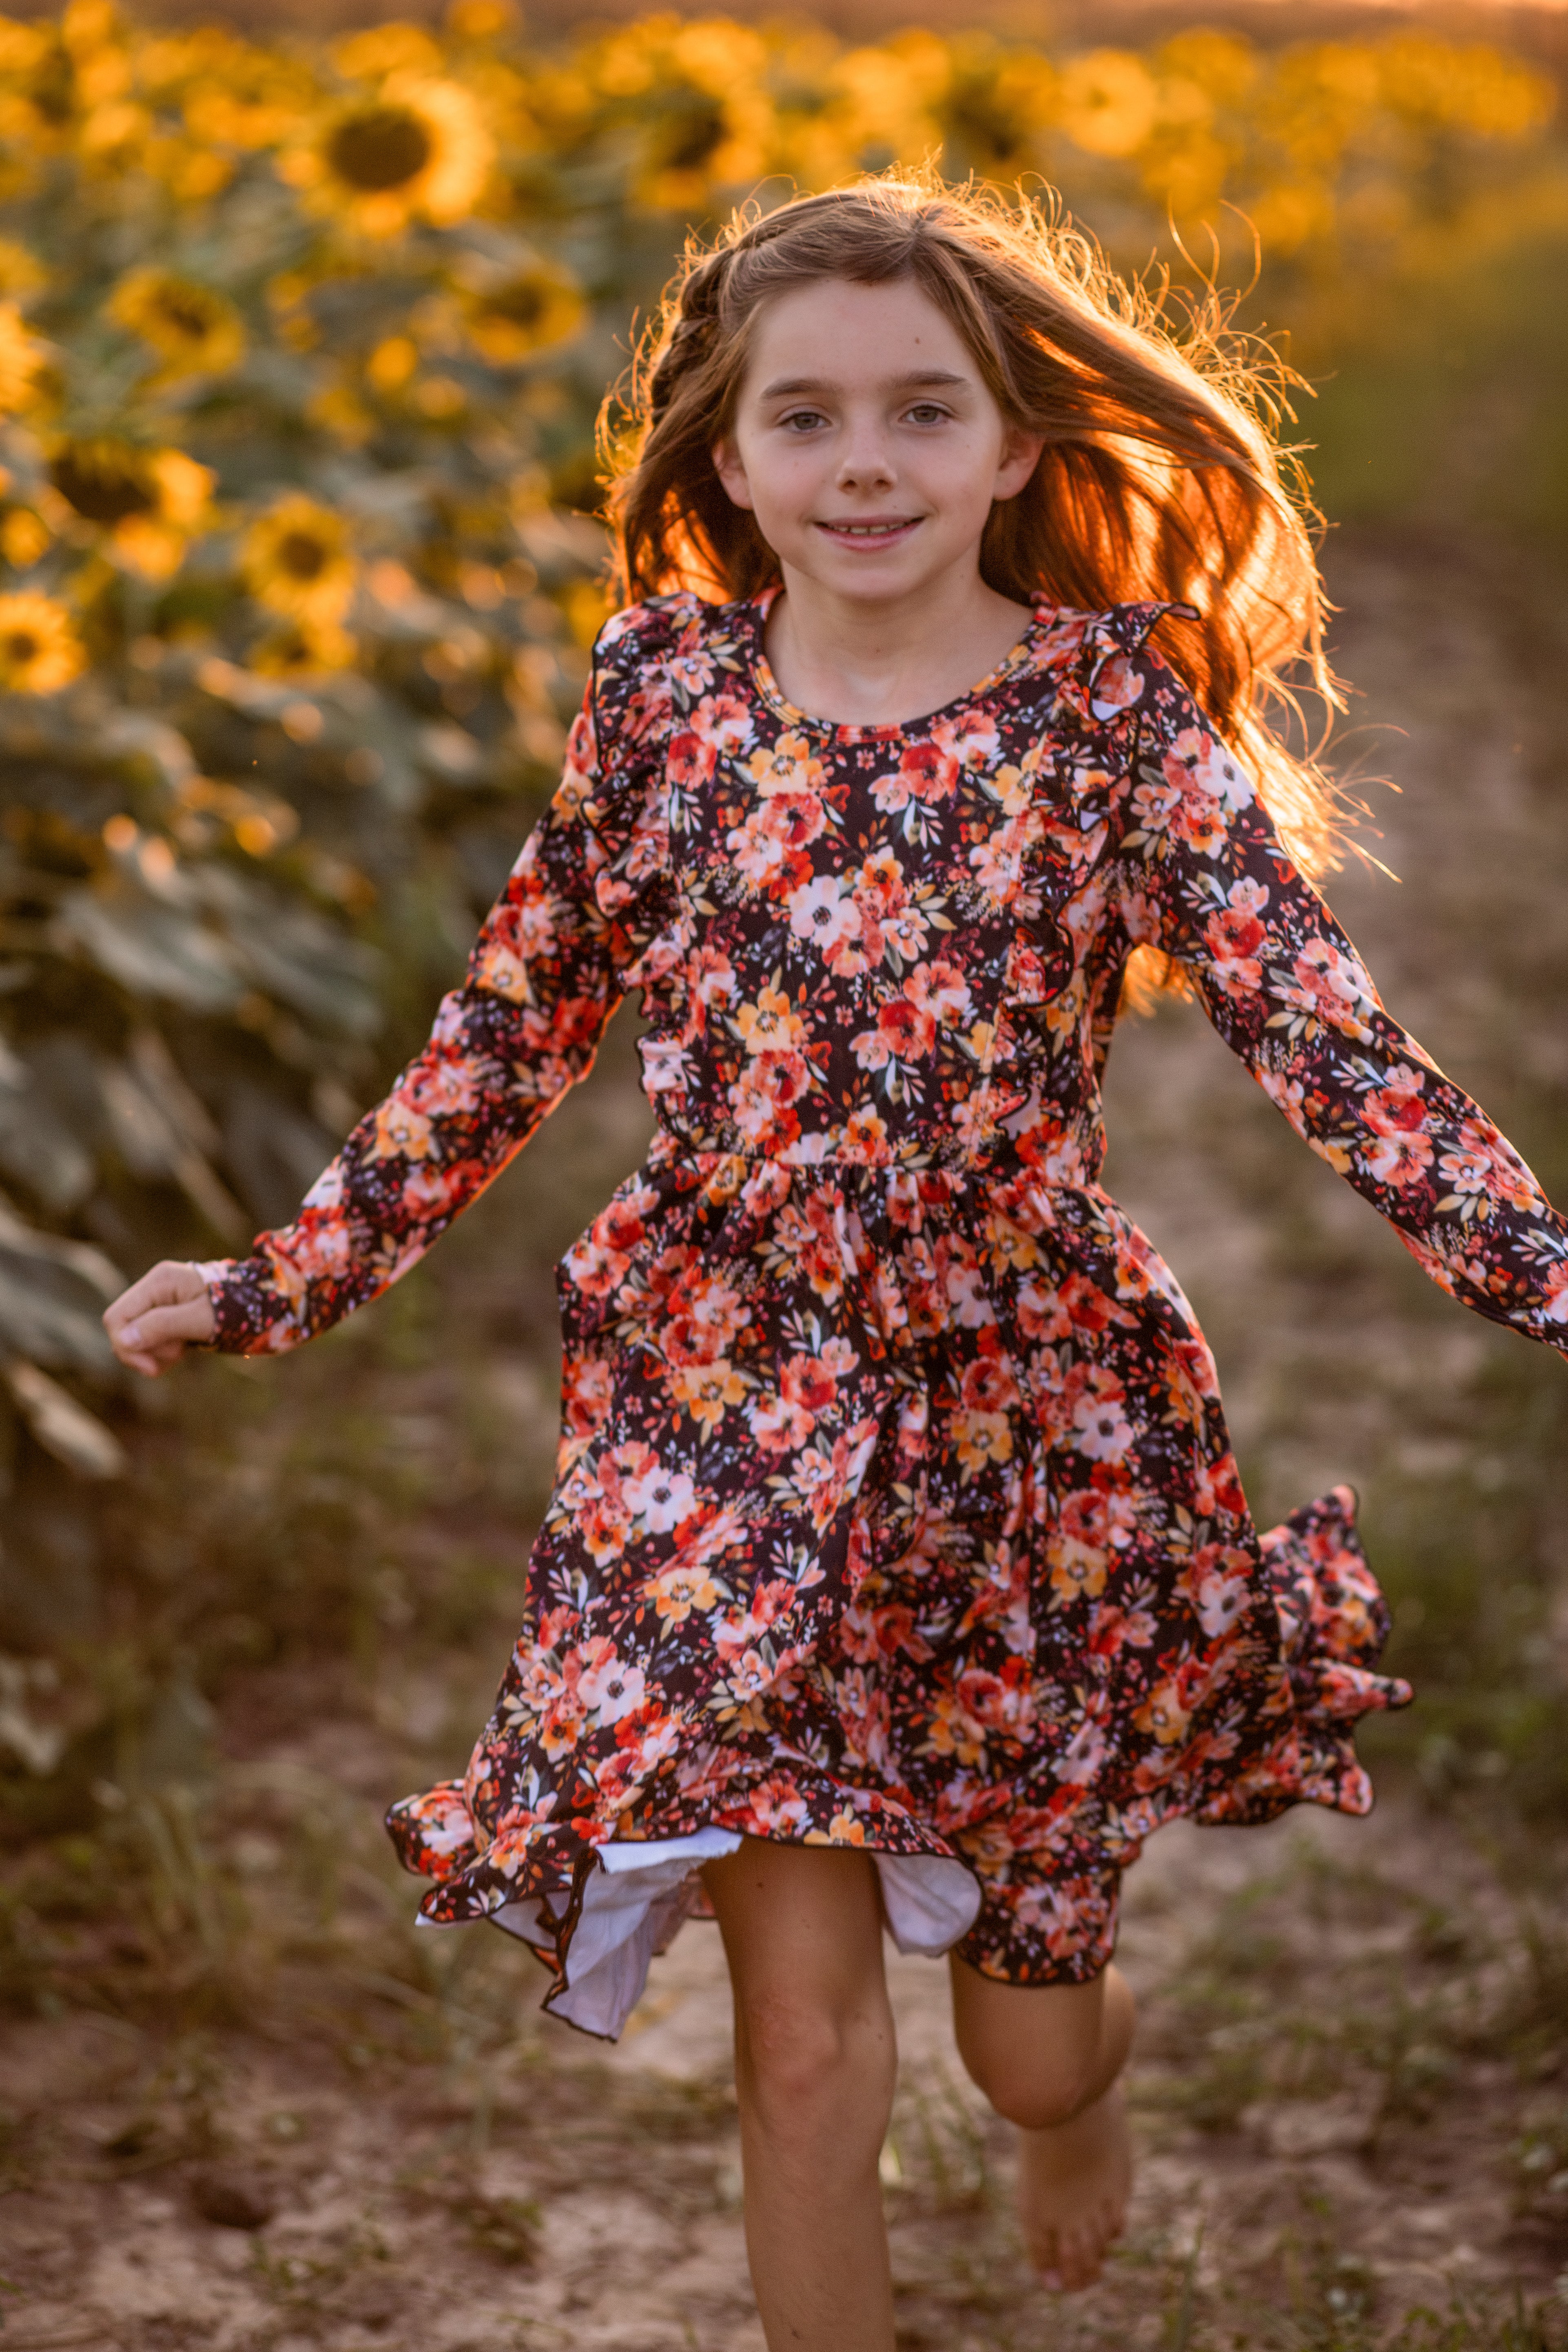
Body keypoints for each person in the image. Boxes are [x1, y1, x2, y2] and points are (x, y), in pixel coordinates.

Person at [105, 177, 1568, 2349]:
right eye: (804, 416)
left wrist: (1535, 1261)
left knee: (1026, 2047)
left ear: (1017, 444)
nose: (862, 462)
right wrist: (290, 1273)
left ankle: (1077, 2094)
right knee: (797, 2040)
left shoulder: (1109, 717)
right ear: (723, 455)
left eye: (919, 410)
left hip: (1025, 1418)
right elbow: (513, 1023)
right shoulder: (663, 697)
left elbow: (1320, 1033)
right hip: (719, 1392)